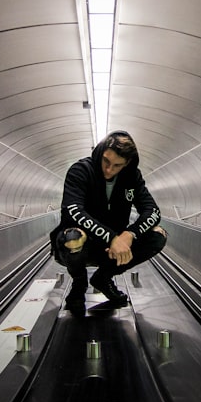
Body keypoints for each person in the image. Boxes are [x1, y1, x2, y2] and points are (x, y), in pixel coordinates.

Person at [50, 130, 167, 313]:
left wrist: (129, 235)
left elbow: (152, 211)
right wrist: (112, 238)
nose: (108, 169)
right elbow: (73, 211)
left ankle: (103, 278)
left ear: (127, 163)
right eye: (106, 161)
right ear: (101, 152)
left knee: (158, 235)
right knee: (72, 236)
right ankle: (79, 285)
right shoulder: (81, 170)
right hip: (82, 245)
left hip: (111, 251)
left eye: (117, 165)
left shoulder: (132, 177)